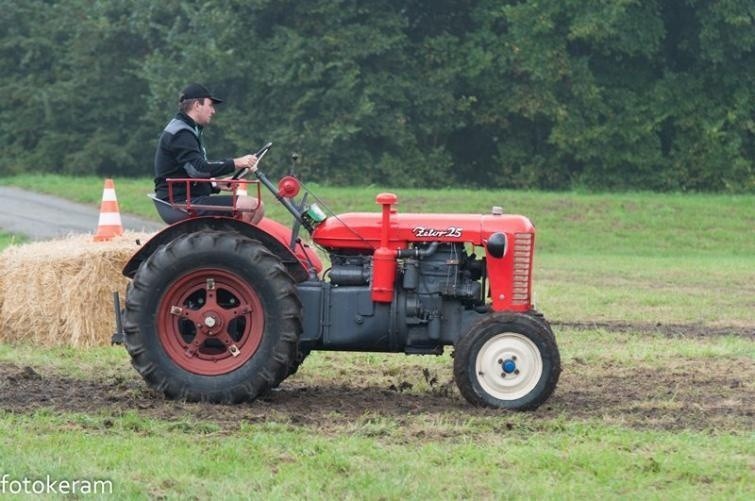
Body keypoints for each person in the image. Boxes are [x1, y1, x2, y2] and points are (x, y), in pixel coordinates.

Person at [153, 83, 263, 224]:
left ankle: (236, 240)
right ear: (197, 105)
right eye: (210, 105)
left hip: (185, 197)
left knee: (253, 206)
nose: (213, 111)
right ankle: (237, 242)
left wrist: (215, 185)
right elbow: (198, 169)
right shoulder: (182, 133)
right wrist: (237, 163)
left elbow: (190, 171)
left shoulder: (188, 129)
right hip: (181, 202)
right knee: (254, 207)